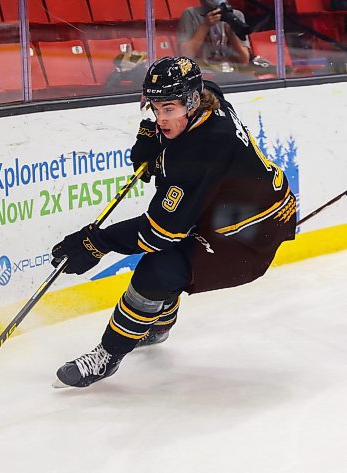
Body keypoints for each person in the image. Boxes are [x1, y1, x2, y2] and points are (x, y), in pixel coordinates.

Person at [51, 56, 296, 388]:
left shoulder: (201, 150)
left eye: (169, 109)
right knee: (171, 255)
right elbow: (190, 116)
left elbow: (158, 233)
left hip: (244, 241)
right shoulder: (208, 96)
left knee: (157, 269)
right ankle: (159, 323)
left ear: (192, 101)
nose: (161, 117)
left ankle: (108, 356)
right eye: (156, 108)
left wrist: (96, 243)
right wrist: (155, 138)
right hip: (247, 213)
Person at [177, 0, 251, 70]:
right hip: (203, 71)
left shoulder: (236, 15)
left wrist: (232, 34)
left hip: (230, 71)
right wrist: (205, 26)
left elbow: (244, 61)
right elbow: (185, 56)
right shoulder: (190, 14)